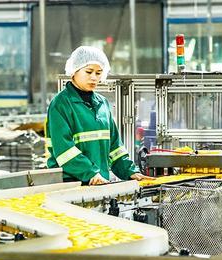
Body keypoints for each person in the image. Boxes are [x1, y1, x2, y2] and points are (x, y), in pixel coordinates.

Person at [45, 46, 153, 185]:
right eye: (89, 71)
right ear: (74, 71)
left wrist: (130, 171)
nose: (94, 77)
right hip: (70, 183)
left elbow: (115, 147)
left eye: (98, 73)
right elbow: (64, 151)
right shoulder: (60, 104)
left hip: (99, 181)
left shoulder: (102, 103)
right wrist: (90, 173)